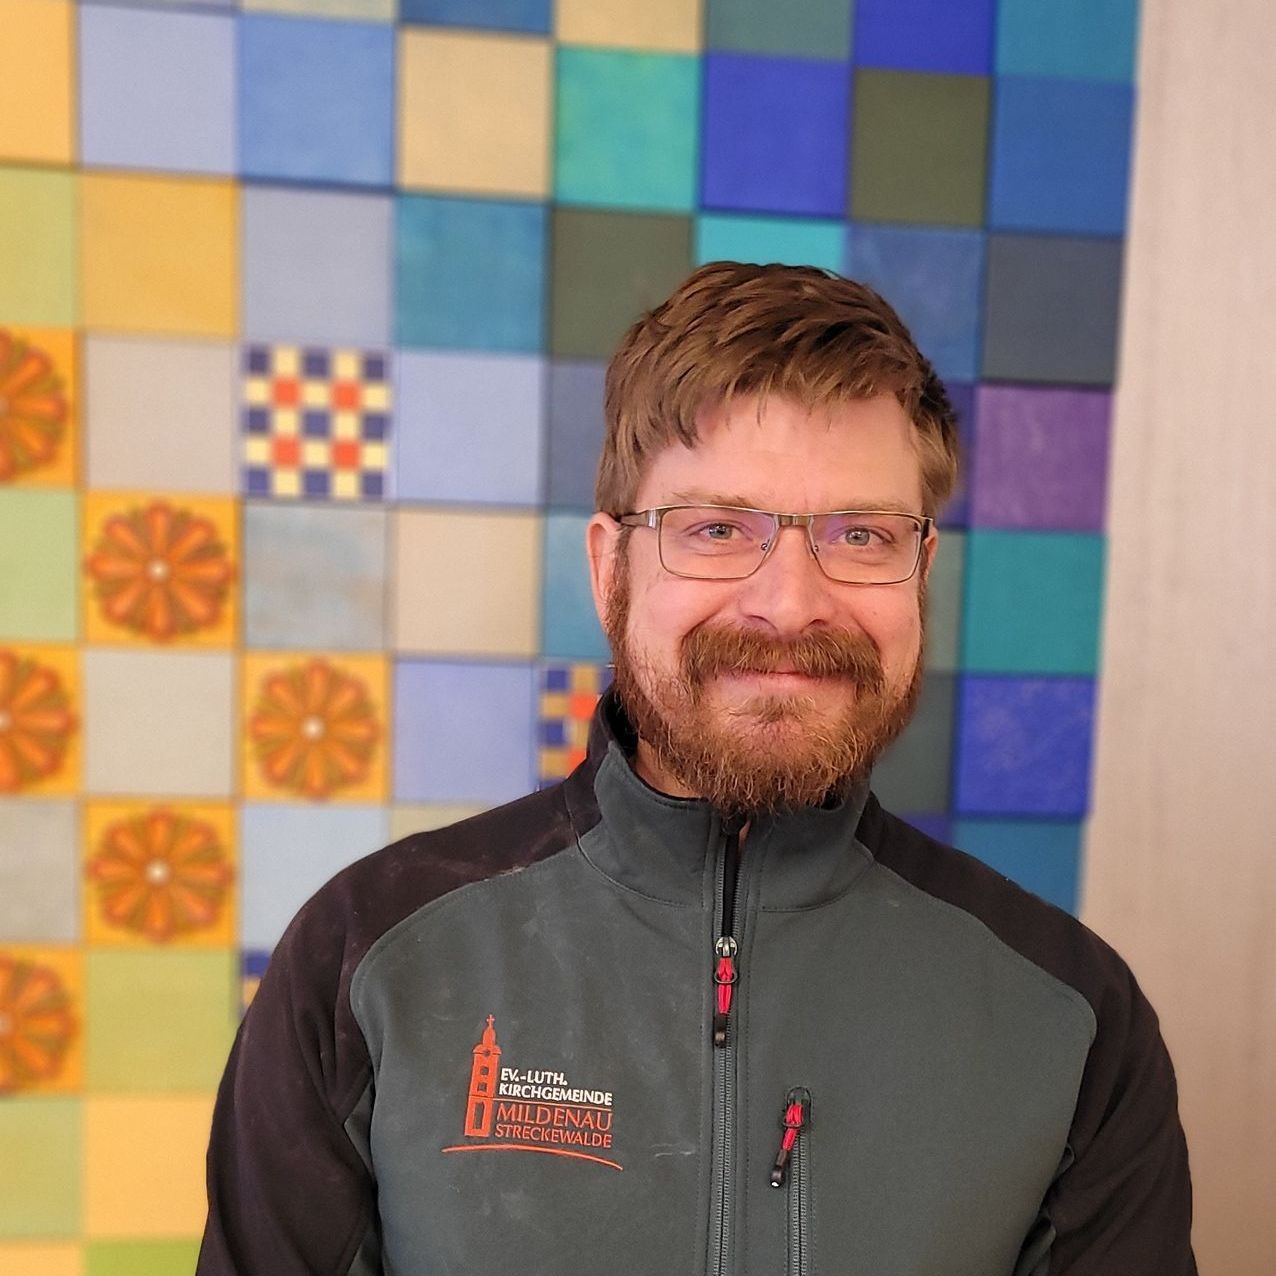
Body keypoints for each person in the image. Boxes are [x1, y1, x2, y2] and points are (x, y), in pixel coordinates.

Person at [198, 263, 1196, 1274]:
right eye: (717, 529)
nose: (790, 603)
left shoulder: (1073, 1019)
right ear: (609, 569)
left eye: (861, 535)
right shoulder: (364, 961)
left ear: (920, 572)